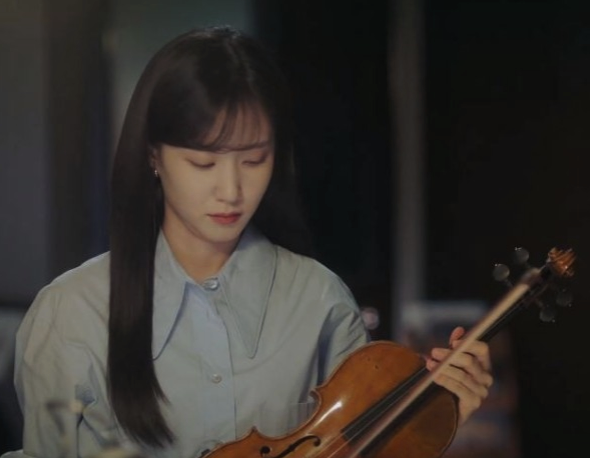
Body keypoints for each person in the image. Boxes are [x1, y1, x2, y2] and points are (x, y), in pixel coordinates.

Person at [2, 26, 493, 458]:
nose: (232, 190)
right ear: (153, 154)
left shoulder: (319, 301)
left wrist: (433, 418)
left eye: (254, 160)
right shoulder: (70, 315)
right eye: (203, 163)